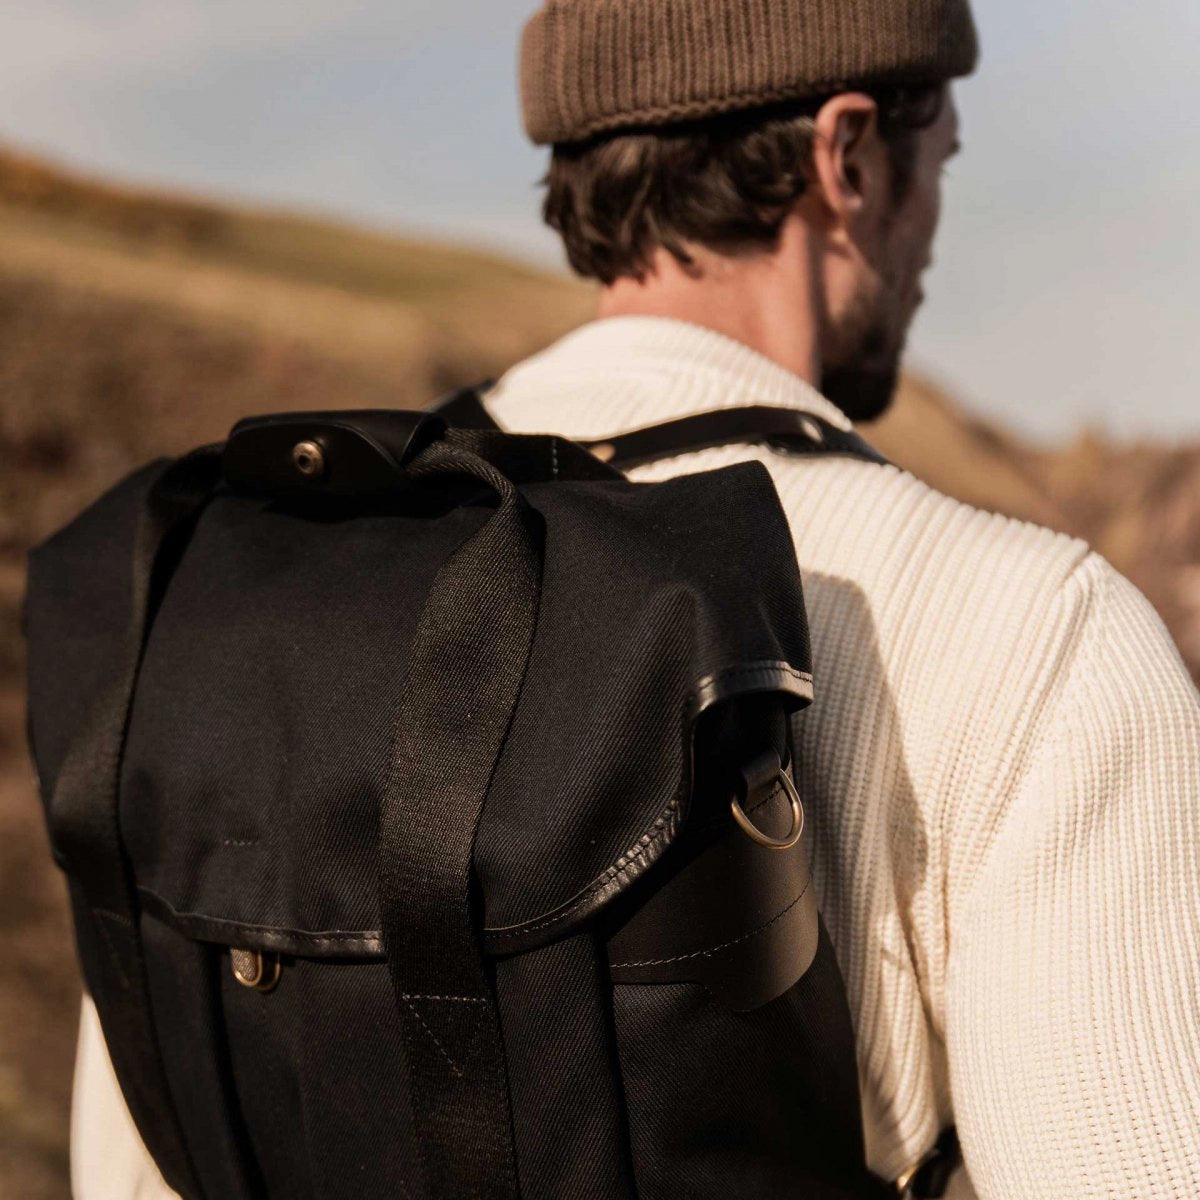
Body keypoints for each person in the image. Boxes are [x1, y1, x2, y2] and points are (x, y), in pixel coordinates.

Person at [73, 1, 1200, 1197]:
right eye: (942, 165)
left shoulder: (252, 601)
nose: (932, 231)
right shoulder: (1037, 640)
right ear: (850, 154)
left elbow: (127, 1168)